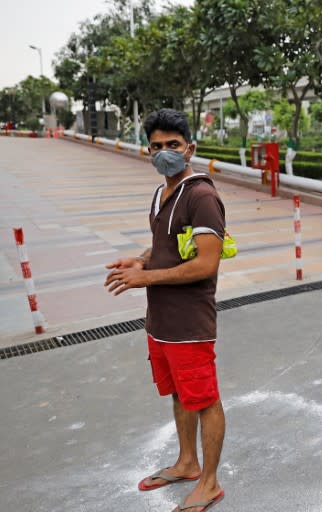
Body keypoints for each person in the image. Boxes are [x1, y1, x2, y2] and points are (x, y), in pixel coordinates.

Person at [104, 109, 226, 512]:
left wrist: (147, 279)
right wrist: (141, 261)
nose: (163, 152)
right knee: (177, 393)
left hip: (190, 322)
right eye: (156, 146)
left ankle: (209, 482)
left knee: (204, 398)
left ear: (190, 148)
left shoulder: (202, 196)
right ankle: (187, 463)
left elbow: (207, 264)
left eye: (172, 145)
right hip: (161, 322)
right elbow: (164, 248)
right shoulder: (161, 194)